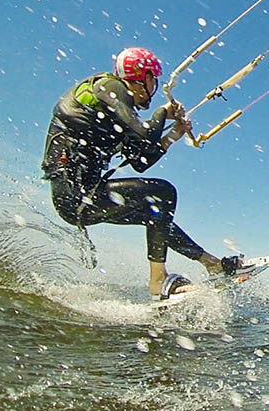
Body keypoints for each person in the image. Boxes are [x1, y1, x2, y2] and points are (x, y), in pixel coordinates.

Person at [41, 46, 248, 299]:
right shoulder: (112, 87)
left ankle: (211, 264)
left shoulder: (116, 115)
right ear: (144, 77)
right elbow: (144, 132)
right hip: (75, 196)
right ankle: (158, 282)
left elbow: (140, 161)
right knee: (162, 192)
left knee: (156, 212)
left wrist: (174, 134)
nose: (153, 87)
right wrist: (163, 112)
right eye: (154, 80)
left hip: (81, 200)